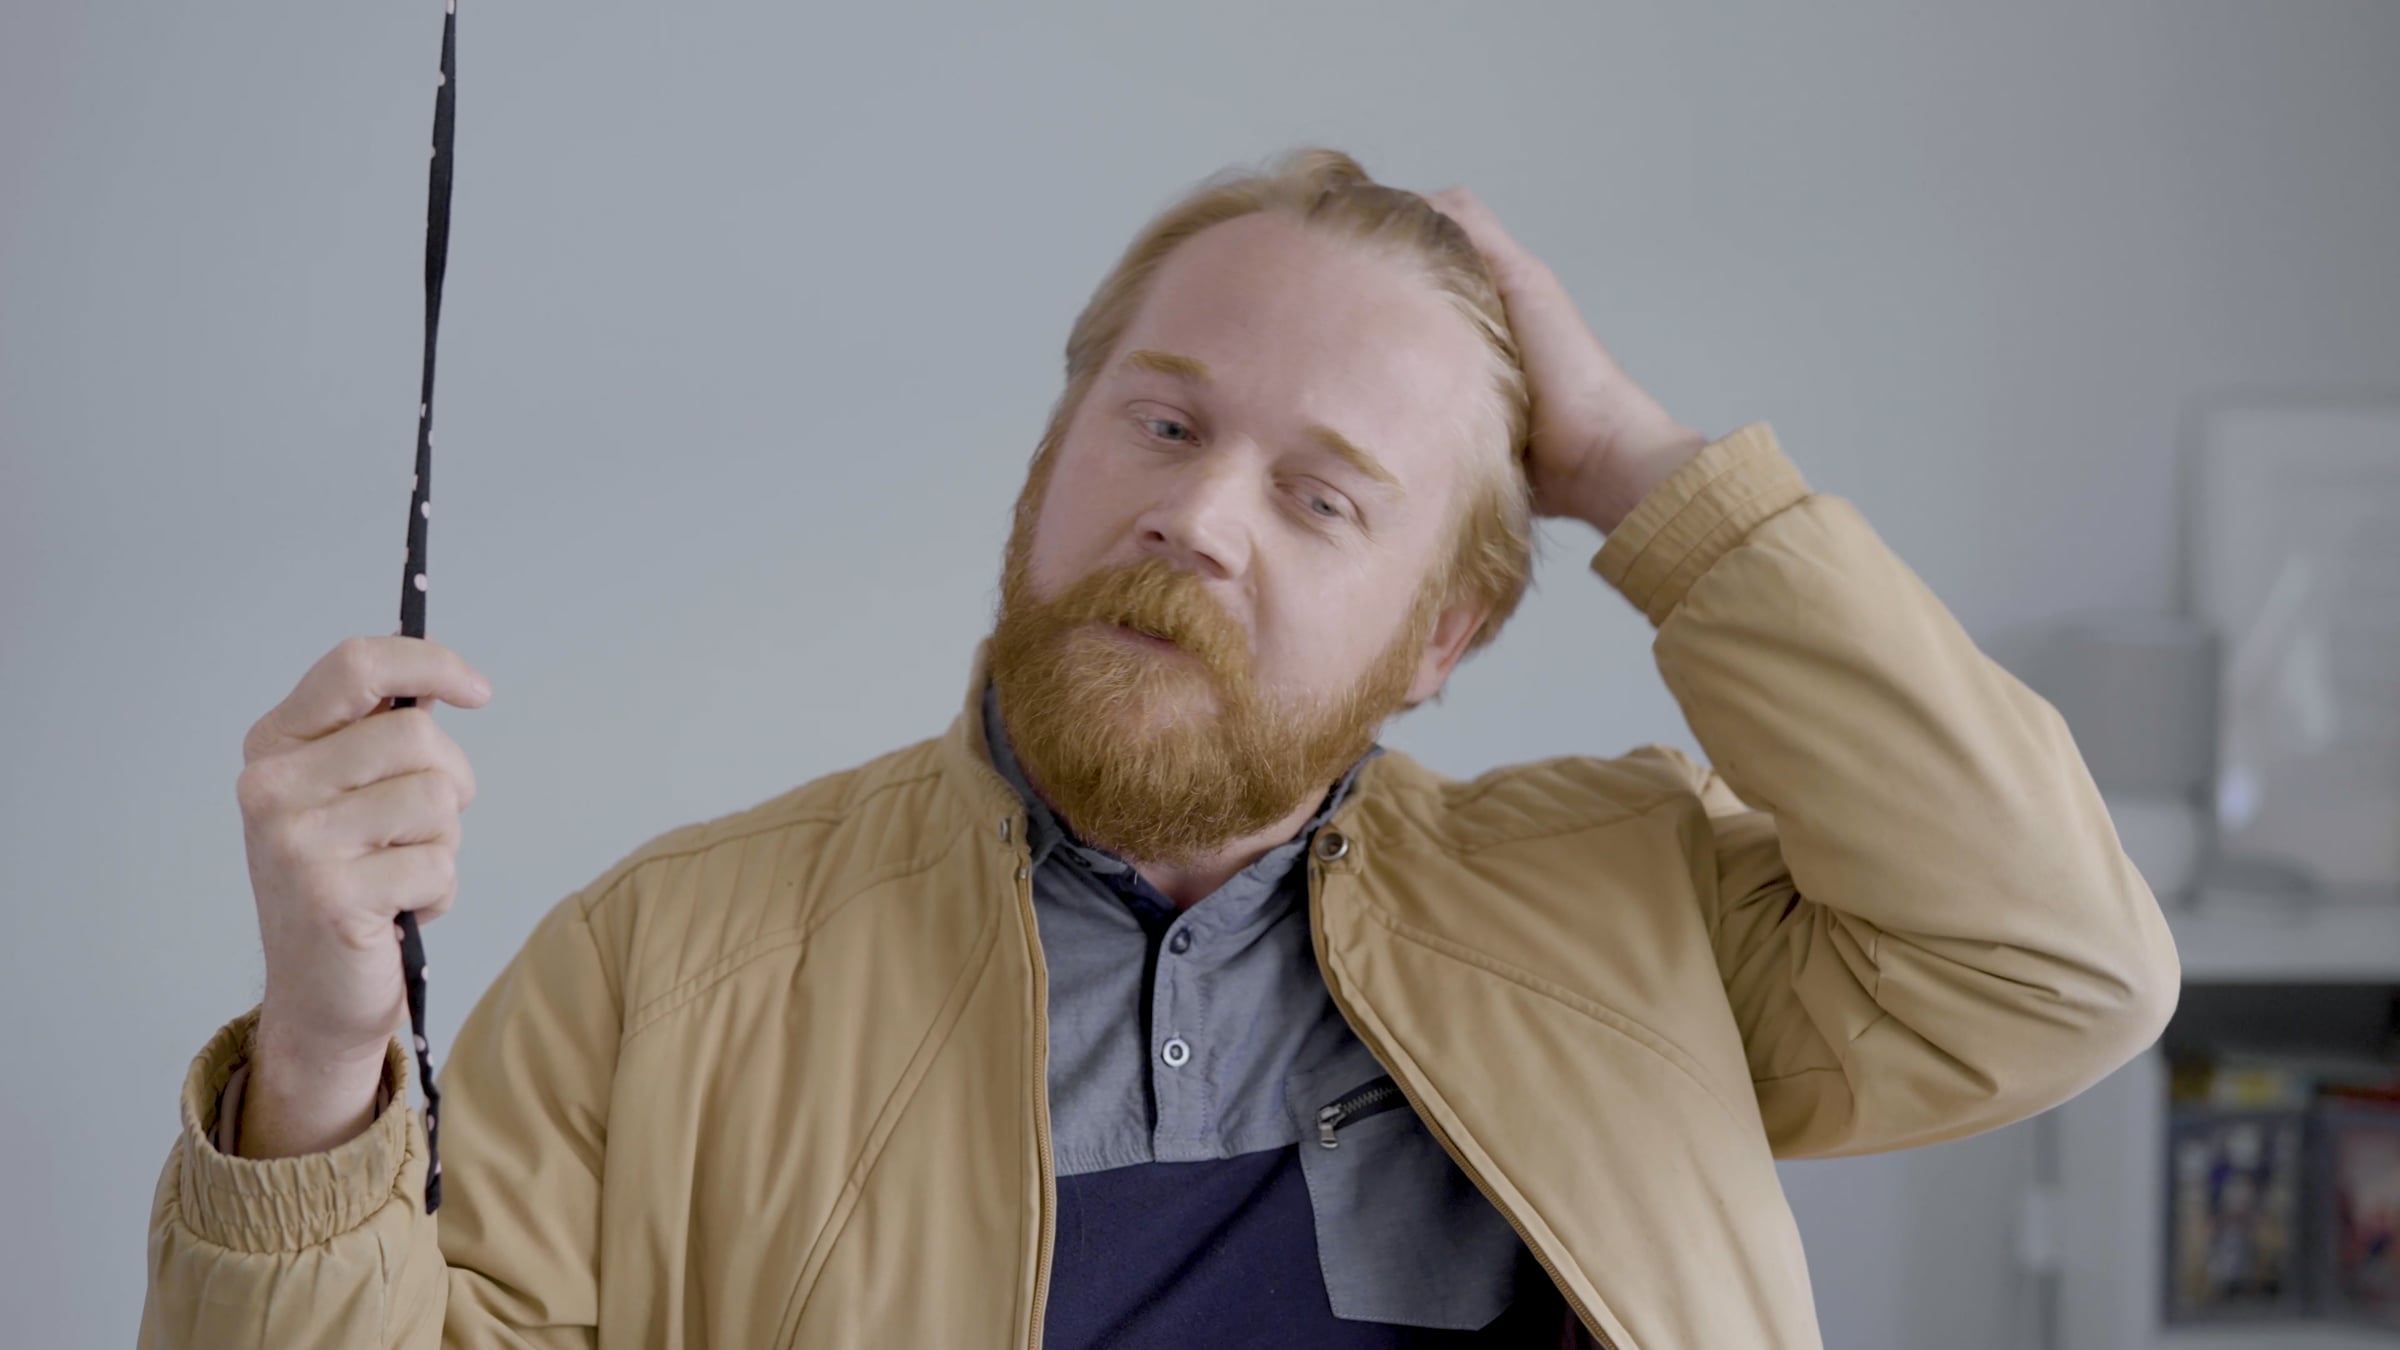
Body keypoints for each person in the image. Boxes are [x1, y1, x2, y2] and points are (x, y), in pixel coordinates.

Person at [138, 149, 2180, 1350]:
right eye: (1167, 421)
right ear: (1054, 463)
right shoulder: (658, 970)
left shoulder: (1635, 915)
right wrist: (320, 1059)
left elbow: (2054, 966)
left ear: (1443, 637)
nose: (1195, 516)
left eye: (1323, 495)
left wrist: (1651, 472)